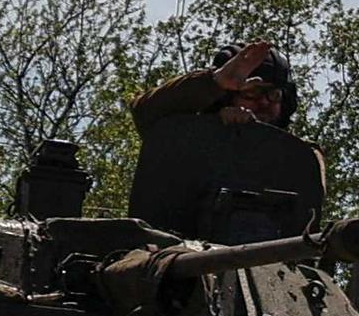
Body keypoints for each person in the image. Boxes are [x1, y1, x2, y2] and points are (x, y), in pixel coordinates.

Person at [124, 40, 326, 242]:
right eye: (252, 92)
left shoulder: (297, 159)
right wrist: (215, 83)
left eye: (274, 94)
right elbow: (145, 112)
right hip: (178, 253)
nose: (264, 102)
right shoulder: (188, 142)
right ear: (227, 97)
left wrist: (252, 136)